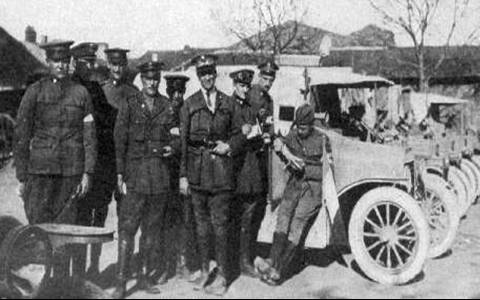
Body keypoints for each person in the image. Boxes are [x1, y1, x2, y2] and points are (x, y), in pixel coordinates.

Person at [14, 40, 97, 277]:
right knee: (38, 229)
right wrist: (21, 176)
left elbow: (90, 137)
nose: (60, 65)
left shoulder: (81, 93)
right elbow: (21, 134)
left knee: (65, 233)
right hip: (40, 173)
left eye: (64, 60)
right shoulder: (35, 92)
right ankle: (40, 283)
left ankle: (60, 285)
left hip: (71, 173)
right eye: (56, 61)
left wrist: (87, 173)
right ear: (48, 62)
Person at [179, 54, 244, 295]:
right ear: (198, 77)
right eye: (202, 73)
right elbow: (184, 142)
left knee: (220, 226)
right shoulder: (190, 103)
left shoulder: (229, 103)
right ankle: (206, 271)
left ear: (215, 74)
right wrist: (183, 176)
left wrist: (230, 146)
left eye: (210, 73)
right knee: (201, 227)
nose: (207, 77)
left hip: (222, 175)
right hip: (197, 174)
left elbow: (239, 134)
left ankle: (224, 276)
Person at [112, 60, 176, 298]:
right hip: (136, 177)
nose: (153, 82)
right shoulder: (129, 105)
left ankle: (144, 277)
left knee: (151, 231)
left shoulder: (167, 105)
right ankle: (120, 281)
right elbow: (119, 141)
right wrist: (119, 174)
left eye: (156, 78)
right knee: (127, 229)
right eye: (148, 79)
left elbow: (176, 135)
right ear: (141, 80)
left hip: (159, 177)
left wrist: (174, 148)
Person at [255, 104, 332, 286]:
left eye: (303, 128)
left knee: (297, 223)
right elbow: (278, 141)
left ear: (311, 125)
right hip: (294, 184)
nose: (300, 131)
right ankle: (271, 261)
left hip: (313, 188)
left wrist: (305, 166)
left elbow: (328, 169)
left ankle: (278, 270)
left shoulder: (322, 139)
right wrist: (283, 149)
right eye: (298, 126)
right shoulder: (294, 134)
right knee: (283, 218)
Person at [70, 42, 117, 279]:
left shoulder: (96, 89)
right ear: (75, 63)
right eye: (85, 62)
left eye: (92, 62)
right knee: (78, 222)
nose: (90, 66)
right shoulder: (70, 89)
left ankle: (94, 267)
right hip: (77, 168)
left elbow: (108, 121)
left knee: (98, 219)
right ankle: (76, 273)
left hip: (99, 169)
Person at [229, 69, 271, 278]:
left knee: (248, 216)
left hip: (250, 166)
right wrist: (244, 135)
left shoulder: (248, 106)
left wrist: (260, 135)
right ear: (234, 85)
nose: (245, 89)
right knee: (238, 217)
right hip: (236, 168)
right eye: (241, 86)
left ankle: (244, 259)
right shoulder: (228, 106)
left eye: (247, 86)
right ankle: (239, 261)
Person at [159, 74, 200, 281]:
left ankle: (184, 262)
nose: (177, 96)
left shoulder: (189, 111)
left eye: (181, 92)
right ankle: (166, 264)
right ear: (167, 92)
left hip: (185, 173)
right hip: (165, 173)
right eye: (173, 92)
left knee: (186, 219)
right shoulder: (162, 110)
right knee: (166, 220)